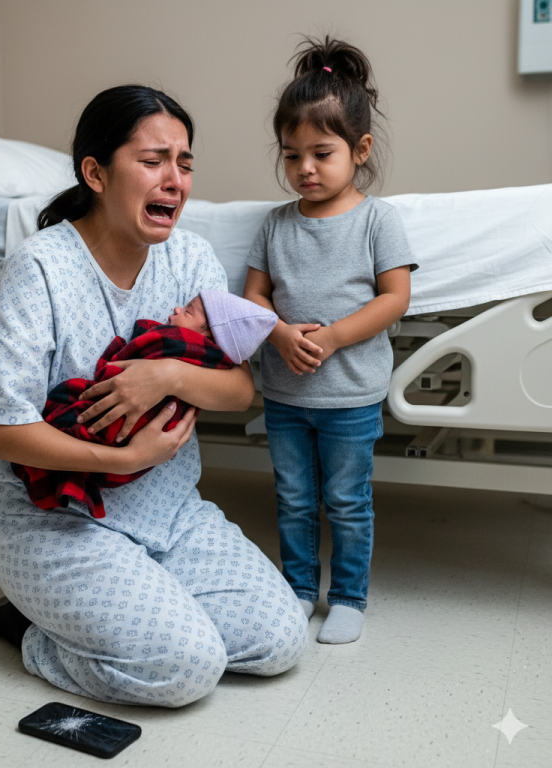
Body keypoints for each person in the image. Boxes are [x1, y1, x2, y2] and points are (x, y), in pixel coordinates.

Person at [0, 84, 308, 708]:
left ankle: (138, 601)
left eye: (185, 163)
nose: (175, 180)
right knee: (185, 669)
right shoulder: (39, 269)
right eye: (153, 161)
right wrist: (122, 459)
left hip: (167, 507)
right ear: (95, 172)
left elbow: (238, 389)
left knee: (278, 641)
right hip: (53, 517)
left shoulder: (189, 256)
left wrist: (165, 375)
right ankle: (33, 632)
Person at [244, 38, 417, 645]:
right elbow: (255, 297)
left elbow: (395, 298)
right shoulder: (275, 224)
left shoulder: (377, 221)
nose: (305, 169)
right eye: (292, 156)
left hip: (350, 396)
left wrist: (337, 337)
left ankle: (347, 596)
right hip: (287, 394)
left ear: (359, 149)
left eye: (321, 153)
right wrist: (280, 332)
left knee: (346, 500)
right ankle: (296, 589)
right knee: (293, 498)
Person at [12, 290, 278, 520]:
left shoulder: (186, 343)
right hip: (126, 455)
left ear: (209, 333)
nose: (176, 309)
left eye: (187, 310)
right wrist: (128, 459)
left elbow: (242, 393)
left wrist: (168, 375)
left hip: (145, 443)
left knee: (79, 415)